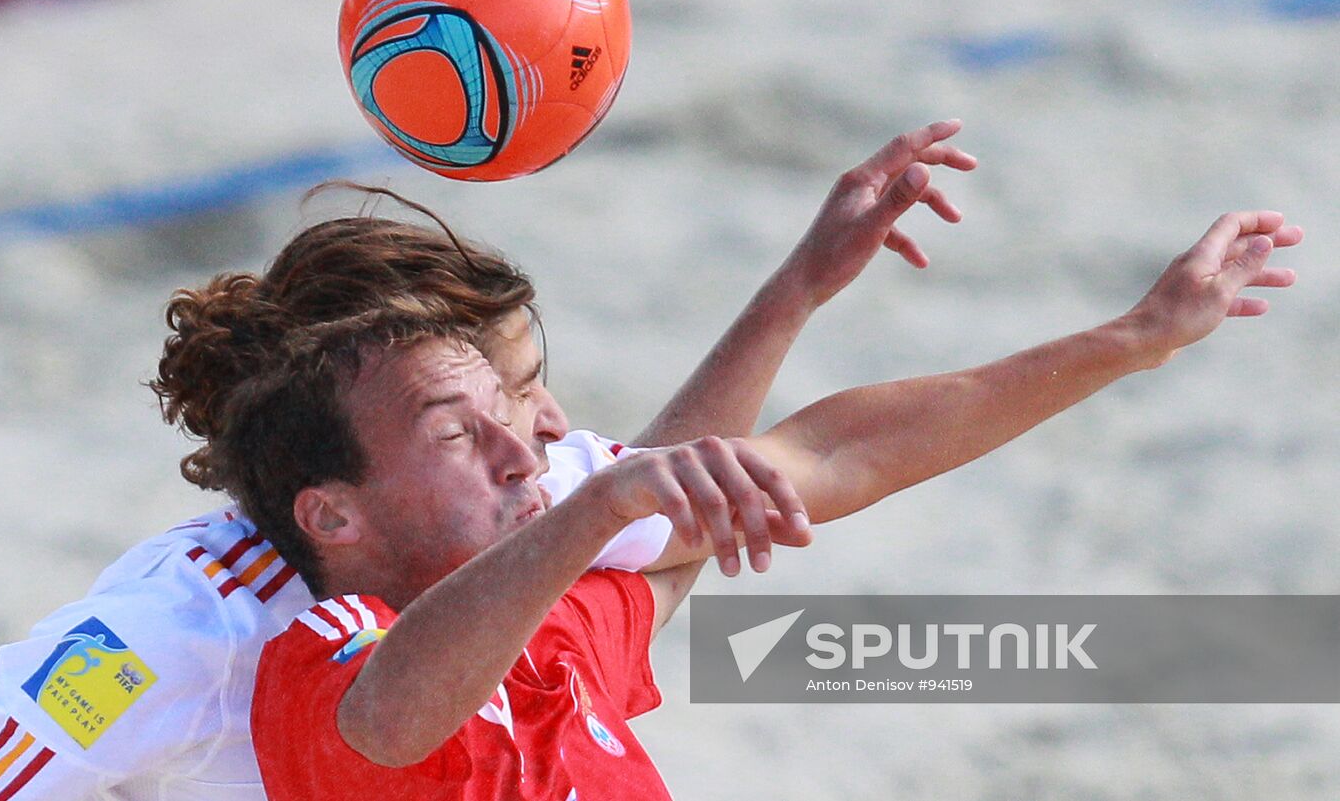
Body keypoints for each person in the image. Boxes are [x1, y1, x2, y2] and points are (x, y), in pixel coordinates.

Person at [0, 121, 975, 800]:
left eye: (519, 394)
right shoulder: (168, 629)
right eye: (502, 396)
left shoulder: (500, 488)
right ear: (332, 508)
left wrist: (793, 291)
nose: (542, 430)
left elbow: (741, 478)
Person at [246, 207, 1300, 798]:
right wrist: (593, 510)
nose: (527, 448)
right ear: (332, 515)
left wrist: (1132, 339)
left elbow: (829, 452)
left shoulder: (559, 632)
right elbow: (387, 722)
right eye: (454, 433)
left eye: (511, 412)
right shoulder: (319, 658)